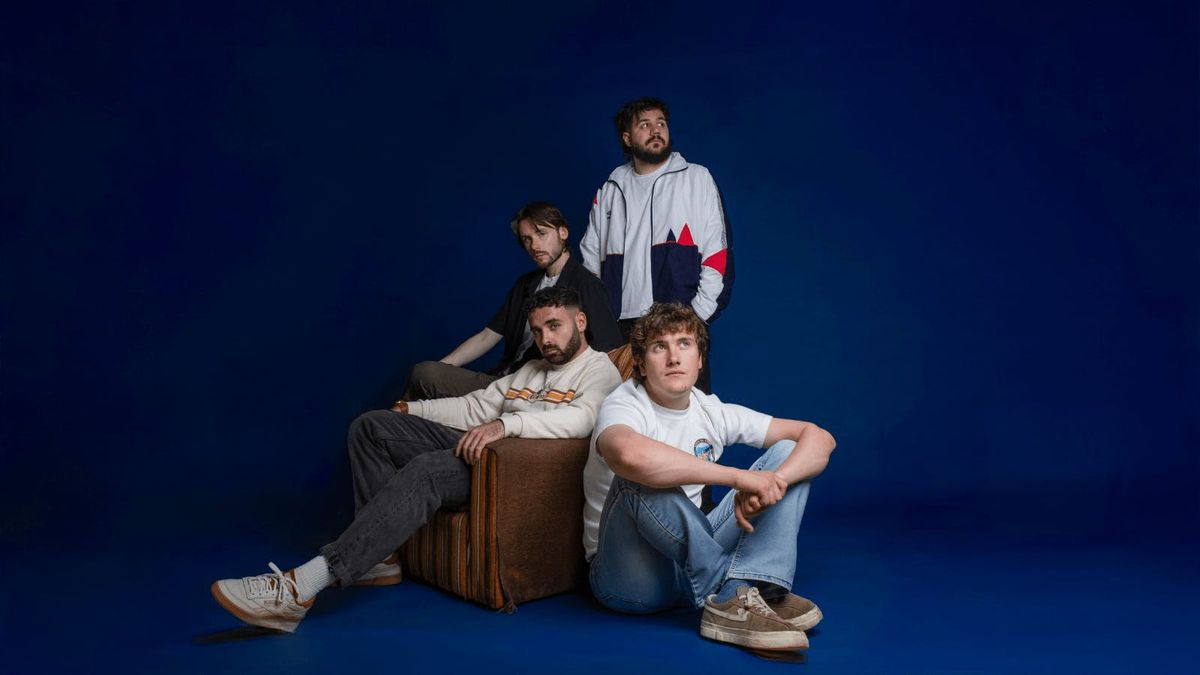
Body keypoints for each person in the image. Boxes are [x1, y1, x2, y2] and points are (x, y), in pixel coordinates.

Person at [211, 287, 622, 633]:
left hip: (512, 472)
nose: (546, 339)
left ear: (580, 321)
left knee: (427, 471)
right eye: (537, 330)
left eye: (554, 326)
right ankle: (378, 561)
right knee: (371, 427)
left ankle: (301, 587)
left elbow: (584, 419)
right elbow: (476, 407)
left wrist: (506, 425)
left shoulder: (599, 371)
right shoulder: (531, 369)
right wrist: (414, 410)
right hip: (480, 448)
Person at [582, 303, 836, 651]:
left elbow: (820, 438)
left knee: (788, 452)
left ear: (699, 359)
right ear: (640, 363)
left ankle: (749, 588)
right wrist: (738, 479)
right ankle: (735, 593)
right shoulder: (623, 403)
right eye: (659, 347)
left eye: (684, 344)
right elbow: (627, 454)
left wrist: (772, 482)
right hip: (629, 577)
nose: (674, 357)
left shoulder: (709, 409)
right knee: (637, 475)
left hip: (689, 562)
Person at [580, 97, 733, 395]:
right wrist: (602, 323)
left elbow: (718, 253)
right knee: (619, 413)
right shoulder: (611, 189)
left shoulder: (696, 178)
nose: (656, 130)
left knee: (687, 413)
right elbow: (590, 262)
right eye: (645, 125)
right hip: (620, 327)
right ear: (627, 138)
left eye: (661, 123)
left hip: (679, 320)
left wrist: (694, 317)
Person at [405, 201, 622, 400]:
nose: (534, 245)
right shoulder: (525, 285)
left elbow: (610, 350)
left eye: (541, 234)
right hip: (504, 379)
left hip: (537, 388)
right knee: (427, 374)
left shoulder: (587, 285)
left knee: (423, 373)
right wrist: (443, 367)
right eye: (527, 239)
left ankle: (393, 421)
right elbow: (487, 337)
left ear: (562, 232)